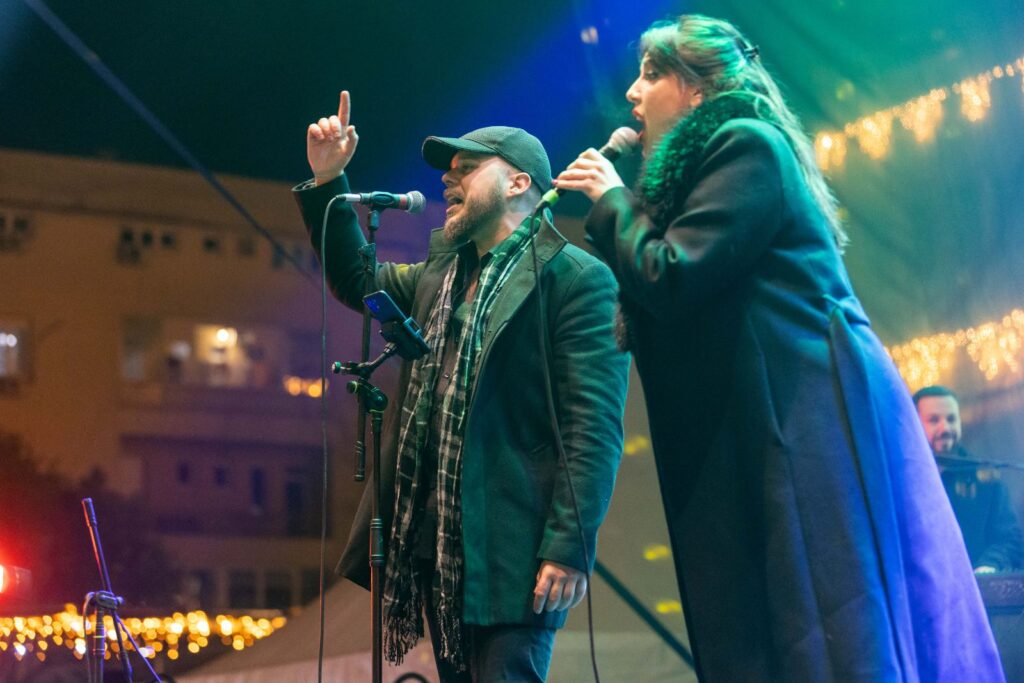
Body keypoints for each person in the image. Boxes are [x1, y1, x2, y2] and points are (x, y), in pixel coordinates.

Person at [554, 14, 1005, 682]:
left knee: (825, 607)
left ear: (697, 89)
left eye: (651, 74)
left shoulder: (746, 145)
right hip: (774, 413)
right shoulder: (716, 165)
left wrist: (613, 200)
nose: (631, 93)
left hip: (807, 413)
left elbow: (670, 274)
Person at [293, 91, 629, 682]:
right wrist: (328, 181)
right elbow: (356, 280)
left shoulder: (575, 279)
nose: (449, 178)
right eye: (449, 169)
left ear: (519, 183)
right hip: (438, 544)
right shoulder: (441, 274)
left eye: (468, 167)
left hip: (513, 544)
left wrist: (568, 545)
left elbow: (593, 427)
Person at [913, 385, 1023, 573]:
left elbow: (1009, 539)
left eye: (951, 419)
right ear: (913, 425)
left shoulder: (986, 480)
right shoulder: (901, 481)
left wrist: (989, 565)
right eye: (934, 420)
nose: (945, 428)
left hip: (974, 586)